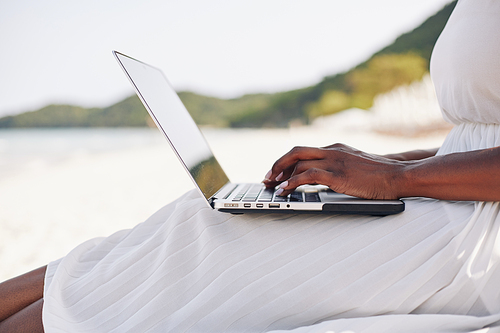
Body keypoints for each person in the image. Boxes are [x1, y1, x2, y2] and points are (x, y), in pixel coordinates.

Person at [2, 0, 500, 331]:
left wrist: (397, 179)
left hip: (482, 229)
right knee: (197, 217)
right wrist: (371, 164)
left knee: (213, 245)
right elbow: (473, 137)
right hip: (454, 186)